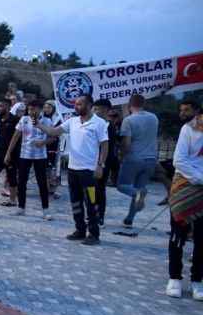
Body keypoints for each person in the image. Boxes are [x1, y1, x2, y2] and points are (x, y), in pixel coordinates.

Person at [38, 94, 109, 245]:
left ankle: (94, 234)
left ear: (89, 105)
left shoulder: (99, 123)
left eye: (80, 104)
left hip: (89, 172)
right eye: (75, 104)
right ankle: (80, 230)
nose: (76, 106)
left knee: (91, 201)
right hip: (72, 170)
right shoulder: (72, 121)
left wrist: (100, 165)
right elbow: (53, 132)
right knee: (75, 201)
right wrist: (38, 124)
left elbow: (104, 145)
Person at [166, 102, 203, 299]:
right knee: (177, 235)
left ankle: (198, 279)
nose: (182, 113)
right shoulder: (189, 129)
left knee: (201, 239)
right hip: (186, 187)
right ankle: (175, 277)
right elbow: (179, 160)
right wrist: (200, 178)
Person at [5, 100, 52, 220]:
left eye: (34, 109)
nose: (31, 111)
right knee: (21, 182)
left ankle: (45, 210)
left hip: (40, 156)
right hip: (25, 155)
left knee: (42, 183)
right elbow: (15, 137)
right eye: (29, 109)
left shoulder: (47, 121)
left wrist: (43, 142)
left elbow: (53, 137)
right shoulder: (24, 119)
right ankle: (21, 207)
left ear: (40, 109)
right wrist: (8, 153)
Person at [117, 94, 159, 228]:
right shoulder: (154, 118)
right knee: (139, 187)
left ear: (129, 105)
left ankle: (137, 194)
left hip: (134, 158)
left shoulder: (128, 120)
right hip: (151, 159)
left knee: (122, 185)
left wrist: (122, 155)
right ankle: (129, 220)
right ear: (144, 103)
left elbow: (127, 144)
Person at [159, 101, 198, 205]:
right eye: (181, 110)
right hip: (186, 177)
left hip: (190, 179)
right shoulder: (186, 128)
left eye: (186, 110)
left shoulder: (188, 127)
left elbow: (179, 160)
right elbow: (180, 160)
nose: (182, 113)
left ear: (196, 111)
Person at [91, 98, 117, 226]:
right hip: (91, 161)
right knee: (91, 188)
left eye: (96, 109)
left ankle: (99, 214)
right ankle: (91, 211)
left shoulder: (108, 125)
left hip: (102, 163)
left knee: (100, 188)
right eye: (93, 109)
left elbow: (107, 147)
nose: (94, 111)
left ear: (105, 110)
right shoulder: (94, 123)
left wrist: (101, 164)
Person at [0, 98, 20, 206]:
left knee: (11, 176)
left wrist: (9, 153)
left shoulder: (15, 120)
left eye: (1, 106)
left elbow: (18, 138)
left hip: (12, 154)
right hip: (0, 153)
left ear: (9, 107)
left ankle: (12, 200)